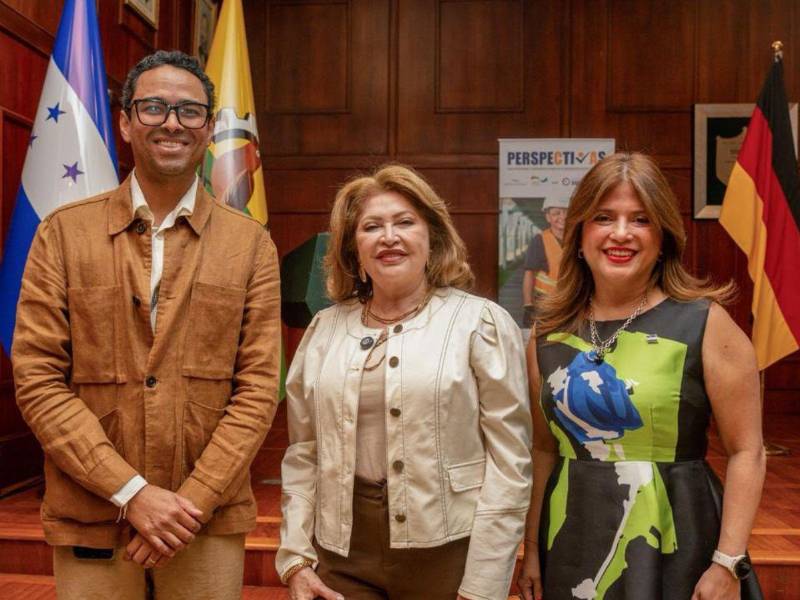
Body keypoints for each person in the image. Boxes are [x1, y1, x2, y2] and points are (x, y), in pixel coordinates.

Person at [11, 50, 281, 599]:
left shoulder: (250, 244)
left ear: (209, 128)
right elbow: (38, 379)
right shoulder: (63, 234)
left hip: (204, 520)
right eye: (153, 107)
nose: (171, 122)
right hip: (92, 513)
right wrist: (132, 493)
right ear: (126, 121)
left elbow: (257, 388)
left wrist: (190, 503)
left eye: (189, 111)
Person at [276, 164, 532, 600]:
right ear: (353, 251)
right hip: (341, 554)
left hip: (449, 553)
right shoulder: (324, 330)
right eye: (371, 226)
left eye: (405, 222)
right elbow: (304, 452)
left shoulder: (479, 323)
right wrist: (296, 558)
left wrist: (484, 585)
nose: (389, 237)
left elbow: (510, 462)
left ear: (431, 238)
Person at [517, 152, 765, 600]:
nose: (621, 233)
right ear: (578, 235)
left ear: (664, 237)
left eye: (641, 219)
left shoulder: (704, 324)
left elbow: (748, 451)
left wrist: (729, 560)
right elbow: (542, 449)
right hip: (572, 539)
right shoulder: (546, 336)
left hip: (677, 541)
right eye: (604, 217)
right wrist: (533, 548)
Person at [522, 194, 568, 327]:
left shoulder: (580, 239)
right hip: (545, 303)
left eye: (566, 212)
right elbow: (529, 274)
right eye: (556, 213)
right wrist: (528, 305)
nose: (562, 217)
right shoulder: (539, 241)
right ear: (548, 217)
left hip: (573, 300)